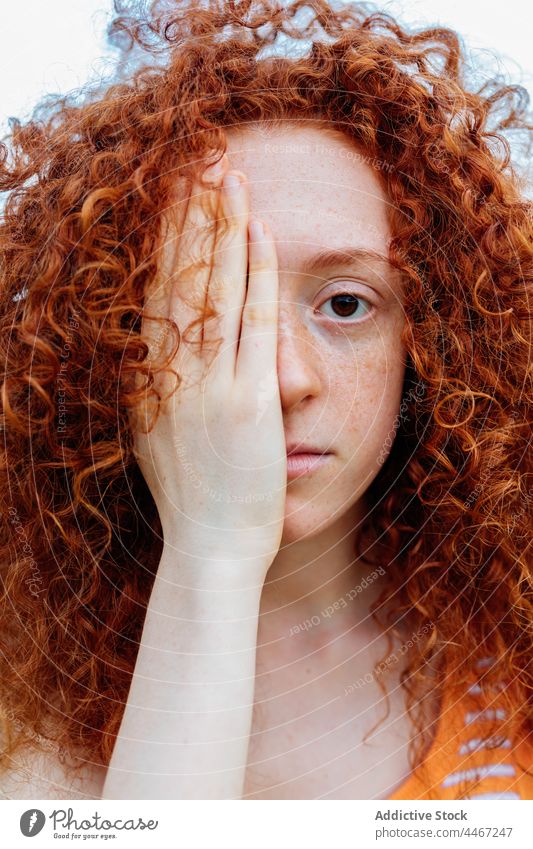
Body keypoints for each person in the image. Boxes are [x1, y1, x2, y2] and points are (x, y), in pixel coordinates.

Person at [0, 0, 531, 801]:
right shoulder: (29, 706)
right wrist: (211, 551)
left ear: (426, 347)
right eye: (211, 309)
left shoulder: (511, 646)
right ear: (110, 339)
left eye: (346, 305)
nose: (284, 380)